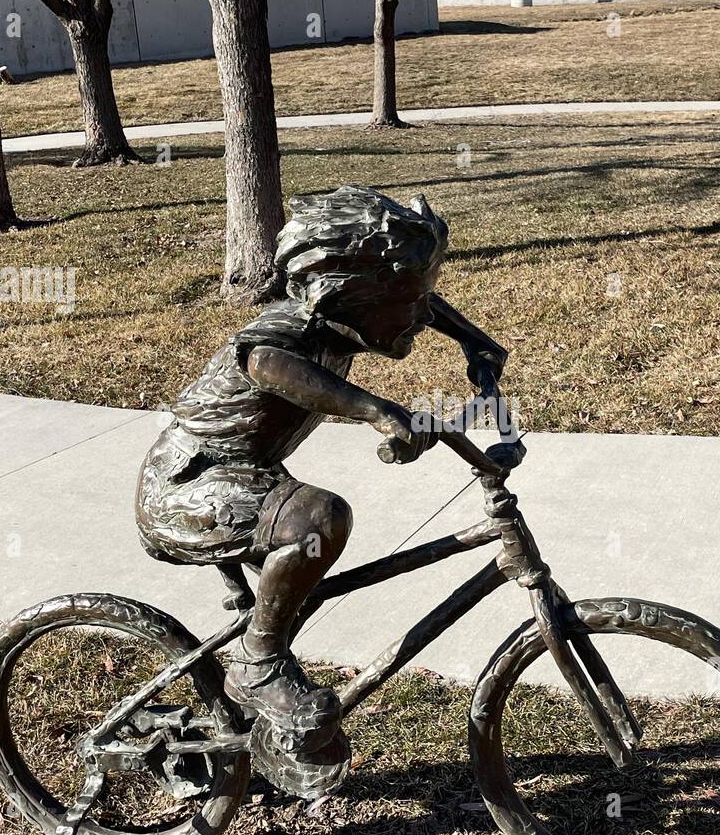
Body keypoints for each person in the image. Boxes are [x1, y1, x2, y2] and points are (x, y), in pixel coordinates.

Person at [135, 185, 506, 769]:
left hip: (245, 475)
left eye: (423, 298)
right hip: (189, 486)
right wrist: (378, 411)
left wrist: (477, 344)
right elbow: (266, 363)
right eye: (409, 301)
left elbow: (426, 306)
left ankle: (259, 730)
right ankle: (257, 666)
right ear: (346, 295)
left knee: (296, 577)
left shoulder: (346, 316)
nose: (420, 314)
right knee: (318, 517)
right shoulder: (287, 330)